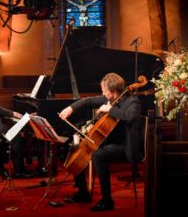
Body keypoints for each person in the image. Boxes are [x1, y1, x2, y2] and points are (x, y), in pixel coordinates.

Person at [59, 72, 141, 212]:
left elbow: (129, 117)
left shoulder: (132, 101)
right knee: (76, 144)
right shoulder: (112, 98)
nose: (102, 93)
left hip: (125, 145)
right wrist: (71, 108)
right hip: (111, 140)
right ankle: (83, 192)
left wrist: (110, 109)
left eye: (104, 91)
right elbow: (88, 101)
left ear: (114, 91)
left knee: (99, 155)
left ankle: (107, 200)